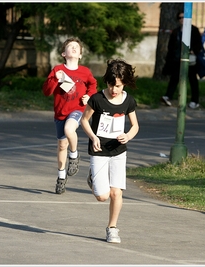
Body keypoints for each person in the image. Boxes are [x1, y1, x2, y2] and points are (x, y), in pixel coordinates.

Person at [80, 58, 139, 243]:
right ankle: (93, 177)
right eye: (111, 85)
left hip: (119, 151)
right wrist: (93, 137)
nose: (114, 90)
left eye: (119, 86)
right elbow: (84, 120)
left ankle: (112, 228)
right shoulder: (97, 99)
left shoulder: (128, 101)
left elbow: (135, 125)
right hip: (99, 150)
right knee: (102, 196)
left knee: (116, 193)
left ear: (125, 84)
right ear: (106, 81)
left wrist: (128, 136)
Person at [42, 37, 97, 194]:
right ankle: (61, 177)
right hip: (60, 112)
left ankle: (74, 156)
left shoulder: (85, 72)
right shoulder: (58, 70)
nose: (73, 48)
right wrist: (55, 79)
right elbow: (46, 91)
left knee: (69, 130)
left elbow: (92, 85)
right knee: (61, 145)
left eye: (76, 47)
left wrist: (89, 96)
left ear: (80, 55)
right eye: (70, 46)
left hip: (78, 110)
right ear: (63, 53)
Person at [162, 11, 203, 109]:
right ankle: (168, 96)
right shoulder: (176, 31)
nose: (182, 19)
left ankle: (195, 101)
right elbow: (171, 46)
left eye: (184, 17)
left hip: (190, 60)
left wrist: (193, 51)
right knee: (174, 78)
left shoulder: (194, 30)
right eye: (180, 18)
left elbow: (199, 44)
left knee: (192, 79)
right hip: (177, 60)